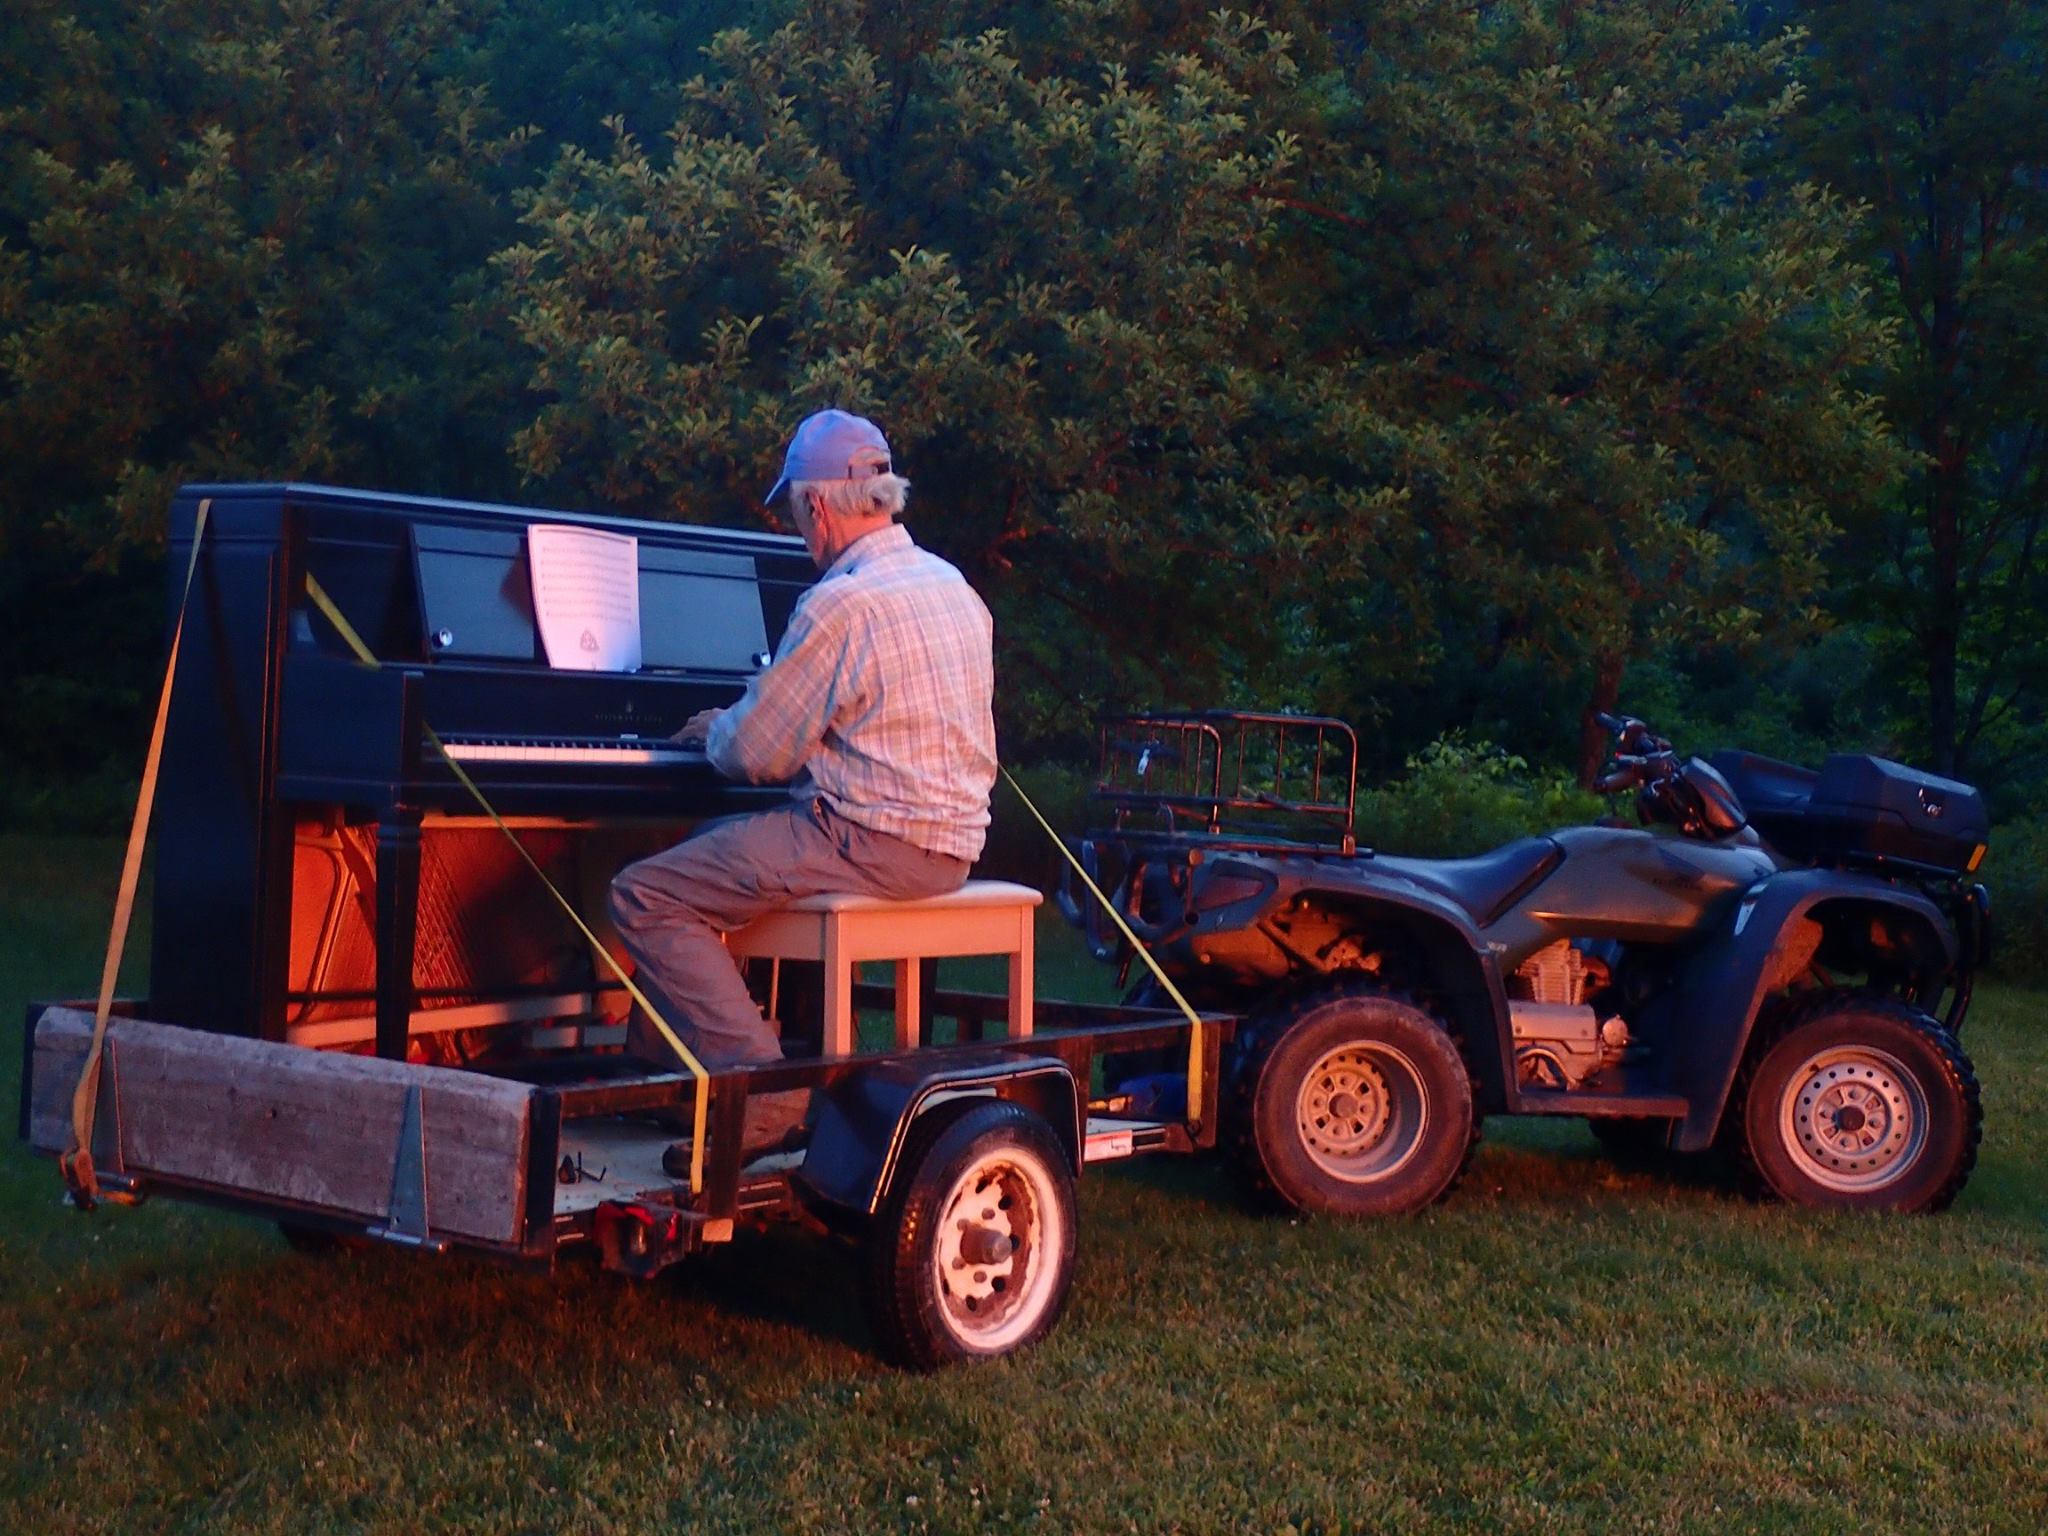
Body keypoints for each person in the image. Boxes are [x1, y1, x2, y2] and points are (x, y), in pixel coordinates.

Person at [608, 409, 997, 1162]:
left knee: (645, 893)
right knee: (703, 856)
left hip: (870, 840)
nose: (798, 532)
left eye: (794, 514)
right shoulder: (952, 586)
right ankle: (670, 1083)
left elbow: (753, 756)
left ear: (816, 507)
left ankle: (762, 1098)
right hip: (953, 845)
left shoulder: (841, 603)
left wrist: (714, 727)